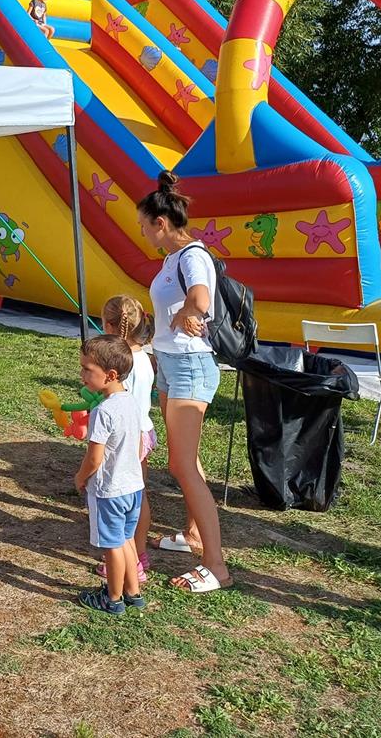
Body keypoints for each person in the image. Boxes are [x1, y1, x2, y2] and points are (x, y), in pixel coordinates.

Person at [137, 170, 232, 593]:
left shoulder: (193, 255)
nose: (142, 231)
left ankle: (216, 565)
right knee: (186, 460)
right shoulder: (172, 259)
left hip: (190, 366)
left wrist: (184, 315)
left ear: (161, 223)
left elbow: (201, 299)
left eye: (144, 225)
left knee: (181, 465)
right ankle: (194, 534)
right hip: (172, 364)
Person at [73, 335, 146, 614]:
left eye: (87, 369)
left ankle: (113, 599)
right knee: (126, 540)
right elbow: (138, 445)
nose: (82, 375)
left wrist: (81, 477)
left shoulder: (103, 411)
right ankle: (133, 592)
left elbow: (95, 457)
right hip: (133, 487)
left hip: (110, 491)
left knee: (112, 546)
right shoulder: (131, 402)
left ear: (111, 375)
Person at [100, 295, 157, 585]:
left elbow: (122, 407)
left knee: (119, 499)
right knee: (138, 497)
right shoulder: (144, 358)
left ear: (110, 326)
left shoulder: (124, 364)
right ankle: (138, 553)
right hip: (144, 433)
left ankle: (127, 562)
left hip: (128, 438)